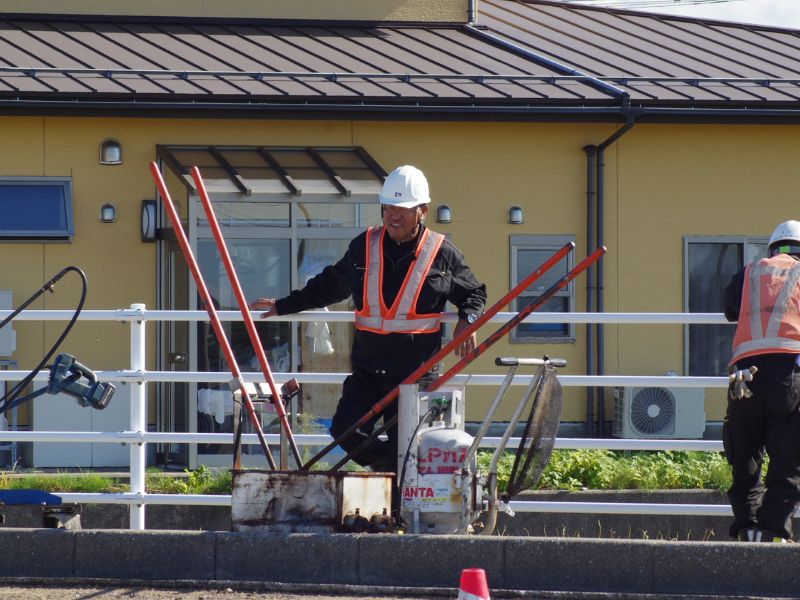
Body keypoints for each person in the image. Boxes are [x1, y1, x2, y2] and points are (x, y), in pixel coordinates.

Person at [251, 165, 487, 473]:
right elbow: (331, 285)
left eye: (402, 209)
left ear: (422, 211)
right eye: (388, 208)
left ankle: (396, 508)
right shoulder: (364, 246)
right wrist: (285, 305)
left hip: (415, 375)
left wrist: (467, 320)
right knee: (346, 432)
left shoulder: (442, 253)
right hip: (367, 371)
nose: (393, 216)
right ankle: (387, 469)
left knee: (407, 447)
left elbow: (475, 293)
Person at [722, 219, 800, 543]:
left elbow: (728, 309)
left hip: (744, 378)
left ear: (771, 249)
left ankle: (747, 527)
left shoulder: (750, 272)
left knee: (745, 457)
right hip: (789, 377)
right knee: (788, 459)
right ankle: (771, 532)